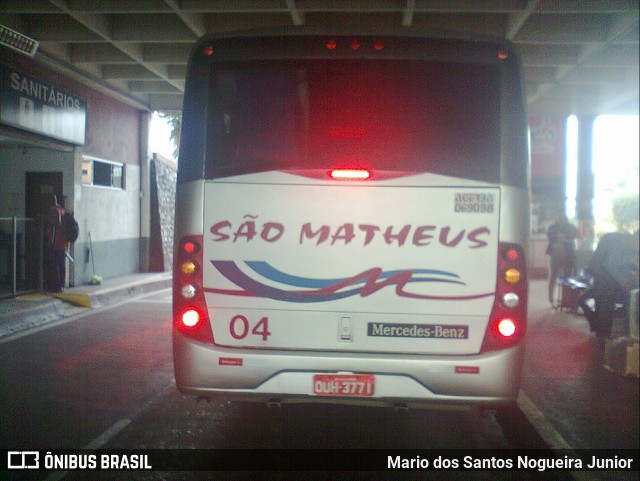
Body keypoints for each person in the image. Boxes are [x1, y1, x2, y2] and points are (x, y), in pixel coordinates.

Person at [579, 230, 639, 338]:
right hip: (602, 277)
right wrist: (628, 280)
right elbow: (611, 266)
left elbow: (627, 268)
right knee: (605, 313)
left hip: (610, 280)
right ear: (635, 238)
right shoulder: (619, 242)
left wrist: (632, 277)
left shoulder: (630, 246)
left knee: (627, 303)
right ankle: (602, 340)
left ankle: (614, 335)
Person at [546, 213, 578, 306]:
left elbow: (573, 237)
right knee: (553, 277)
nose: (560, 219)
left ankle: (565, 300)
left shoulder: (571, 227)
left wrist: (565, 239)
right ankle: (551, 299)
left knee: (567, 278)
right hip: (555, 255)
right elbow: (550, 238)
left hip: (567, 255)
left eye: (562, 217)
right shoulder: (552, 227)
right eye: (559, 217)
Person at [42, 194, 67, 292]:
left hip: (56, 243)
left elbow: (57, 224)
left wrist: (45, 218)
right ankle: (61, 285)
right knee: (61, 264)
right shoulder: (61, 209)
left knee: (54, 264)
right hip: (62, 242)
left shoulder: (54, 210)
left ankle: (56, 286)